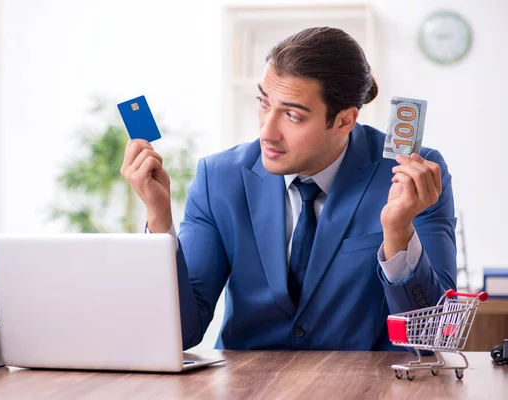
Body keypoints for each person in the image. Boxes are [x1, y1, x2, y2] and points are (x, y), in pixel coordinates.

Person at [121, 27, 456, 351]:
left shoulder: (410, 177)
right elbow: (179, 334)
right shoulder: (218, 179)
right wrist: (159, 219)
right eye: (264, 103)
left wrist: (398, 234)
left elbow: (433, 337)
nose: (267, 132)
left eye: (292, 116)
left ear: (343, 121)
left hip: (363, 388)